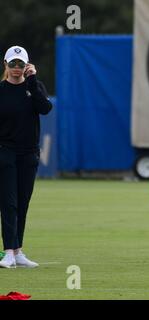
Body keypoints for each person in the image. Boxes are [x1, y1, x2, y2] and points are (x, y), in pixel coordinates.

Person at [0, 46, 53, 268]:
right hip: (5, 152)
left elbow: (45, 108)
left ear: (27, 66)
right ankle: (9, 251)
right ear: (6, 65)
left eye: (20, 64)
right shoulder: (1, 90)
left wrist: (32, 81)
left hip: (29, 153)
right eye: (12, 64)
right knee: (9, 203)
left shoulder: (34, 87)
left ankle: (18, 250)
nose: (16, 68)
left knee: (22, 203)